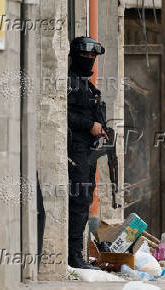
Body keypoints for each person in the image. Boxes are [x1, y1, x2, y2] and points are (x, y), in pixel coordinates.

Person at [67, 36, 106, 269]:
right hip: (75, 149)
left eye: (93, 57)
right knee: (79, 201)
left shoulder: (86, 85)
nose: (90, 60)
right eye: (86, 56)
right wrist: (88, 125)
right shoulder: (71, 82)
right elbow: (63, 113)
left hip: (88, 151)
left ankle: (76, 254)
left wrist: (101, 129)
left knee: (85, 199)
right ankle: (74, 255)